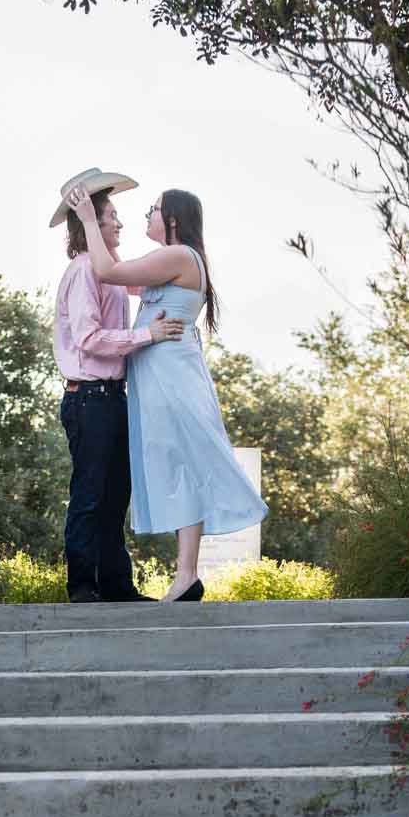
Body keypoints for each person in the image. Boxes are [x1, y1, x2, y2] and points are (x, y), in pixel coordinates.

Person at [67, 183, 266, 603]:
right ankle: (186, 574)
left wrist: (90, 220)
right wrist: (97, 232)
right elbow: (120, 276)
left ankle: (186, 573)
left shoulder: (176, 256)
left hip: (171, 375)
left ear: (173, 219)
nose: (145, 218)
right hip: (160, 375)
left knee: (184, 461)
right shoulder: (169, 261)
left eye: (152, 211)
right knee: (178, 463)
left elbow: (108, 272)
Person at [50, 167, 185, 603]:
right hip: (88, 399)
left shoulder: (107, 271)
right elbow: (89, 340)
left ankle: (116, 584)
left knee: (116, 494)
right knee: (90, 493)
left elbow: (147, 279)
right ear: (92, 222)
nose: (120, 223)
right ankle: (82, 586)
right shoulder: (85, 270)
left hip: (111, 400)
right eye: (111, 216)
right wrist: (149, 335)